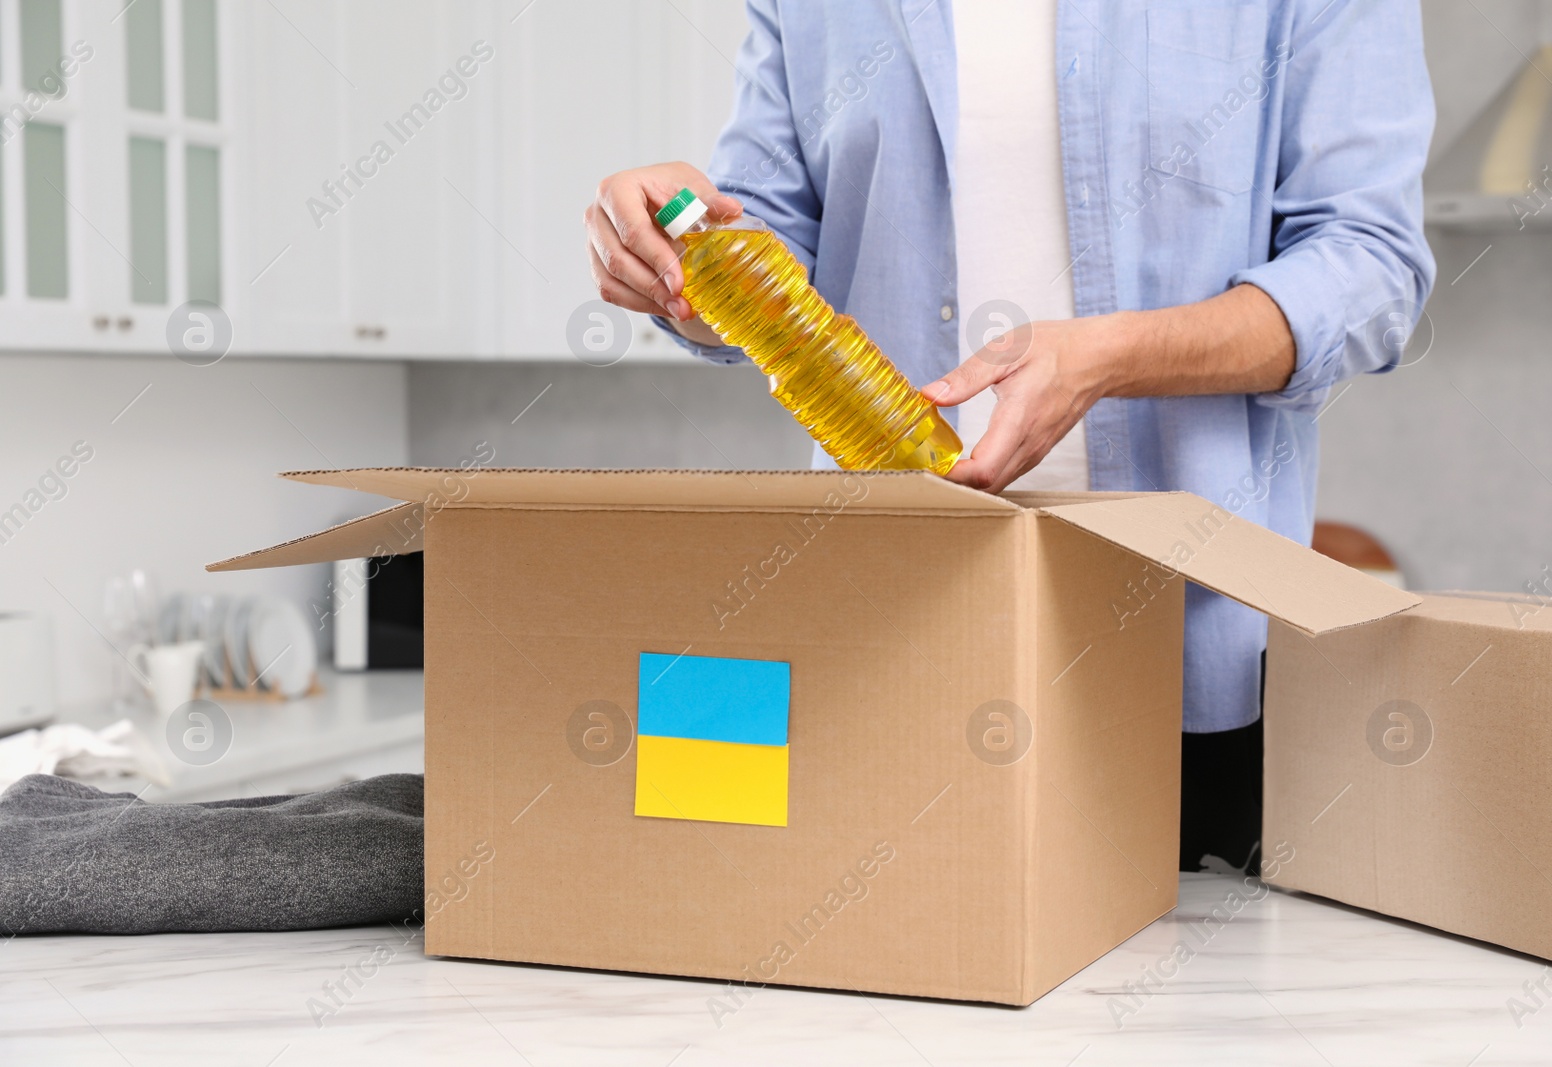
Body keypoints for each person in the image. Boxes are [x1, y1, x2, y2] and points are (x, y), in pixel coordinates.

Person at [583, 0, 1435, 872]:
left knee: (1194, 994)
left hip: (1187, 654)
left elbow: (1373, 269)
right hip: (895, 639)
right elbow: (766, 248)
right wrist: (669, 252)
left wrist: (1106, 359)